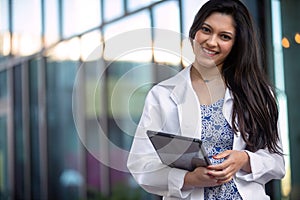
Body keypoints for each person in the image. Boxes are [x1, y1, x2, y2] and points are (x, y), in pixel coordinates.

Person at [127, 0, 286, 199]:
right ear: (195, 32)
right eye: (206, 29)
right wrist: (188, 179)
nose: (211, 42)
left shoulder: (258, 94)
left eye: (224, 36)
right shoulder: (162, 95)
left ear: (236, 45)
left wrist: (244, 159)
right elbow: (140, 164)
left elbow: (277, 163)